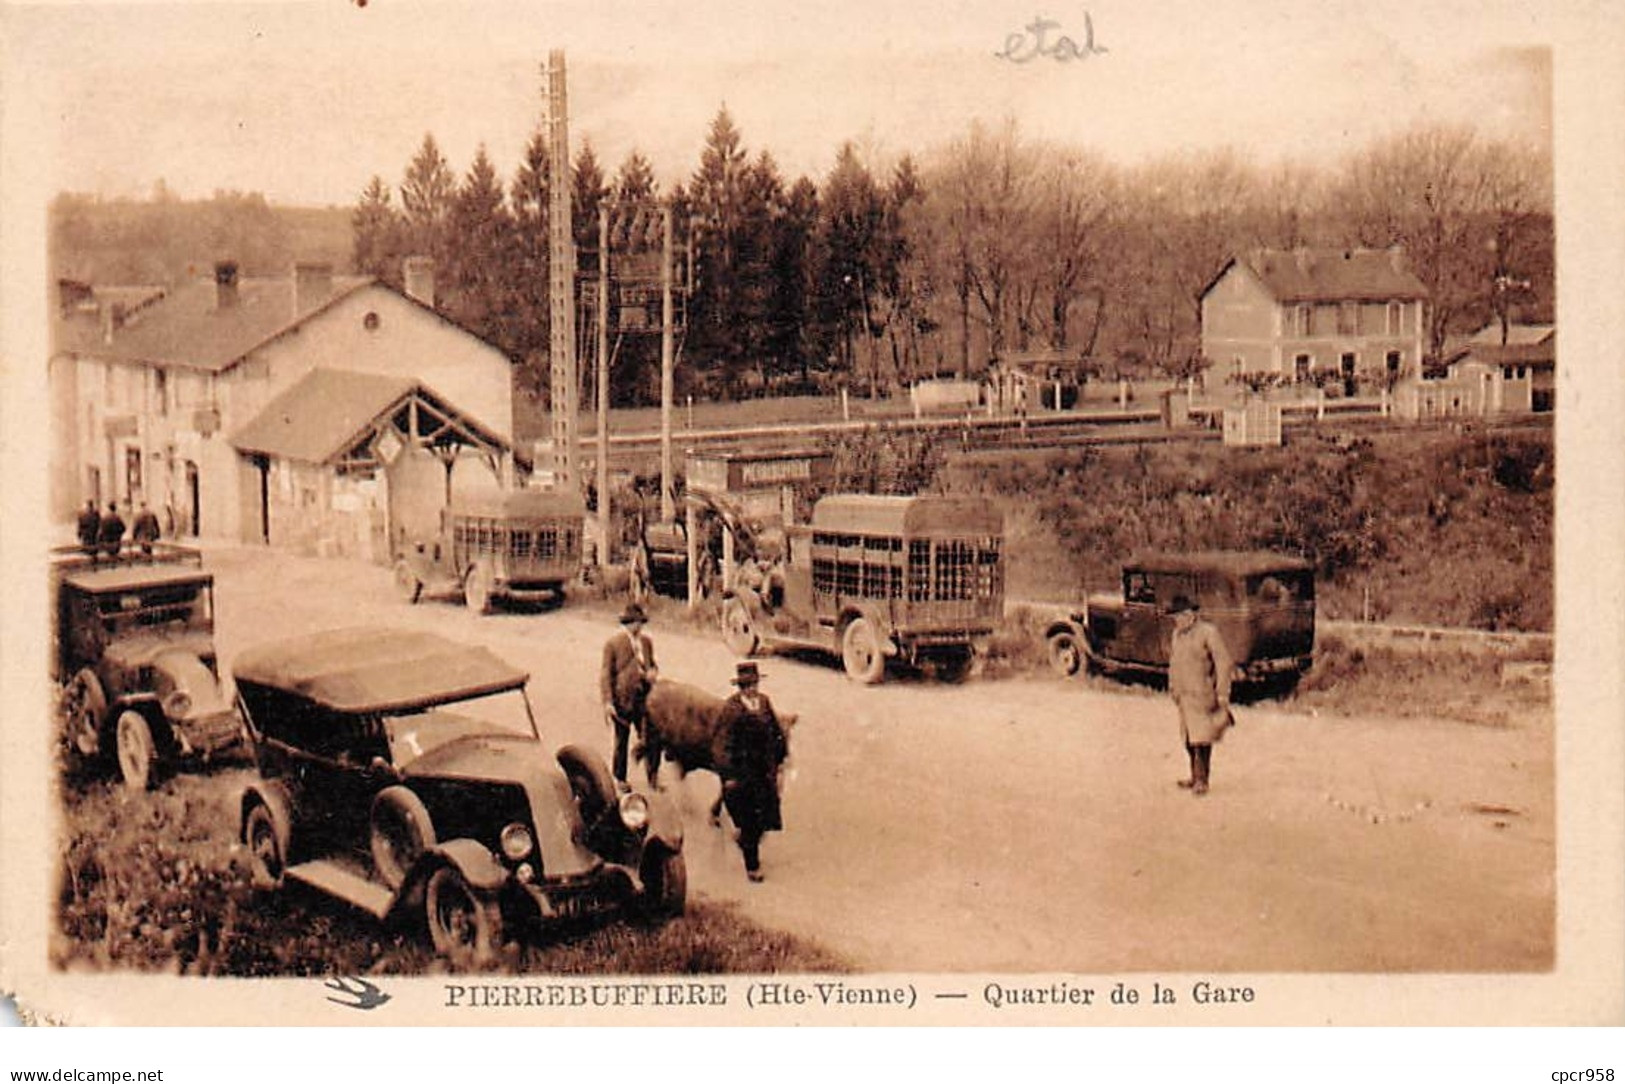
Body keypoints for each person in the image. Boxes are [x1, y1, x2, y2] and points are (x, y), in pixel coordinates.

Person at [717, 661, 789, 883]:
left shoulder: (764, 703)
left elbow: (776, 732)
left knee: (764, 818)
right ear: (740, 688)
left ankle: (747, 842)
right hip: (743, 774)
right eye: (747, 685)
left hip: (765, 773)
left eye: (754, 684)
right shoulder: (732, 709)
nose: (751, 689)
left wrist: (782, 756)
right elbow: (722, 744)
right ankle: (752, 866)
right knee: (749, 820)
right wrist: (728, 775)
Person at [1166, 594, 1234, 796]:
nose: (1175, 621)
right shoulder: (1177, 634)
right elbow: (1173, 662)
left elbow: (1224, 663)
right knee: (1188, 739)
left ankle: (1202, 780)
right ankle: (1194, 776)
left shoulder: (1208, 632)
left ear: (1189, 615)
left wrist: (1222, 693)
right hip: (1184, 696)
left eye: (1177, 616)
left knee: (1202, 739)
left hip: (1203, 694)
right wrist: (1172, 688)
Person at [600, 602, 658, 783]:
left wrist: (653, 672)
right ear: (627, 623)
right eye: (635, 622)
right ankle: (620, 779)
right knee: (621, 742)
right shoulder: (613, 644)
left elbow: (653, 664)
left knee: (650, 739)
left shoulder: (646, 642)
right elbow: (605, 674)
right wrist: (608, 702)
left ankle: (652, 776)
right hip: (623, 700)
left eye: (641, 622)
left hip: (645, 698)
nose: (639, 626)